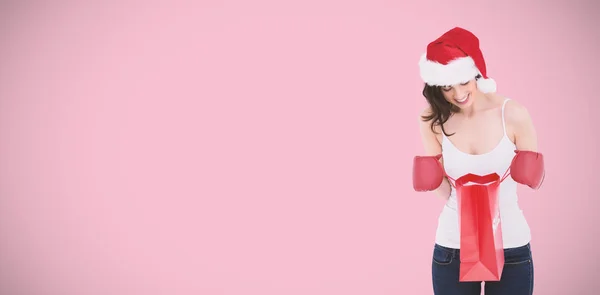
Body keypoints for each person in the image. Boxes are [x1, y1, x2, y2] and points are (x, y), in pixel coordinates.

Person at [417, 27, 538, 295]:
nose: (457, 94)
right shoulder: (432, 120)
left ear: (476, 72)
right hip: (452, 247)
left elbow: (534, 179)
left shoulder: (513, 114)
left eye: (463, 81)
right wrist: (433, 176)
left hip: (511, 246)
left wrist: (530, 171)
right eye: (447, 87)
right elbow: (444, 191)